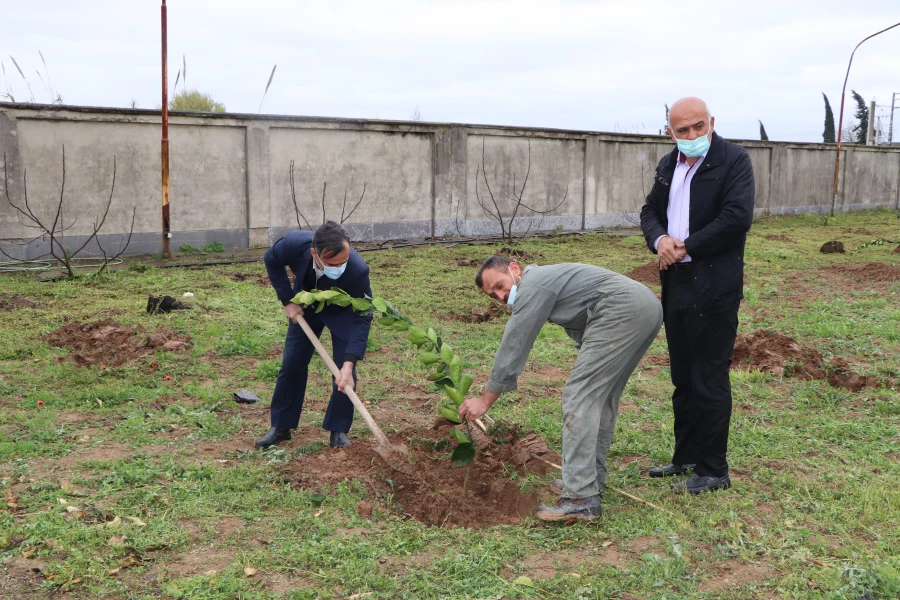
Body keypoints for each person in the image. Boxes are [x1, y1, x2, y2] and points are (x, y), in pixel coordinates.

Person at [458, 257, 662, 522]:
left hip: (623, 310)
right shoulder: (547, 282)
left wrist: (484, 401)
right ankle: (590, 480)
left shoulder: (533, 286)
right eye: (492, 294)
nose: (500, 295)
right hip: (643, 306)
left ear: (514, 269)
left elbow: (515, 344)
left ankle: (580, 497)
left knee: (580, 397)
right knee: (601, 398)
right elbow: (583, 323)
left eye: (499, 285)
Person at [639, 97, 755, 493]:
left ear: (711, 123)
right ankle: (685, 457)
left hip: (714, 284)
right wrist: (660, 240)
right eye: (681, 130)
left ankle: (713, 469)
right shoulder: (670, 164)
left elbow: (737, 218)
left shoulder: (734, 161)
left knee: (709, 376)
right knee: (683, 376)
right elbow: (649, 211)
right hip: (675, 283)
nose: (690, 136)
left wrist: (686, 246)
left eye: (698, 127)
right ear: (670, 131)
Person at [255, 221, 373, 449]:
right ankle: (281, 425)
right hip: (306, 306)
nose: (339, 267)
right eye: (331, 264)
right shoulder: (293, 244)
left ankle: (338, 430)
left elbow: (363, 316)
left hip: (343, 312)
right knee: (292, 363)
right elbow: (271, 259)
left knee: (344, 372)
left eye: (343, 262)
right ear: (314, 253)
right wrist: (287, 300)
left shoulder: (358, 270)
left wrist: (350, 362)